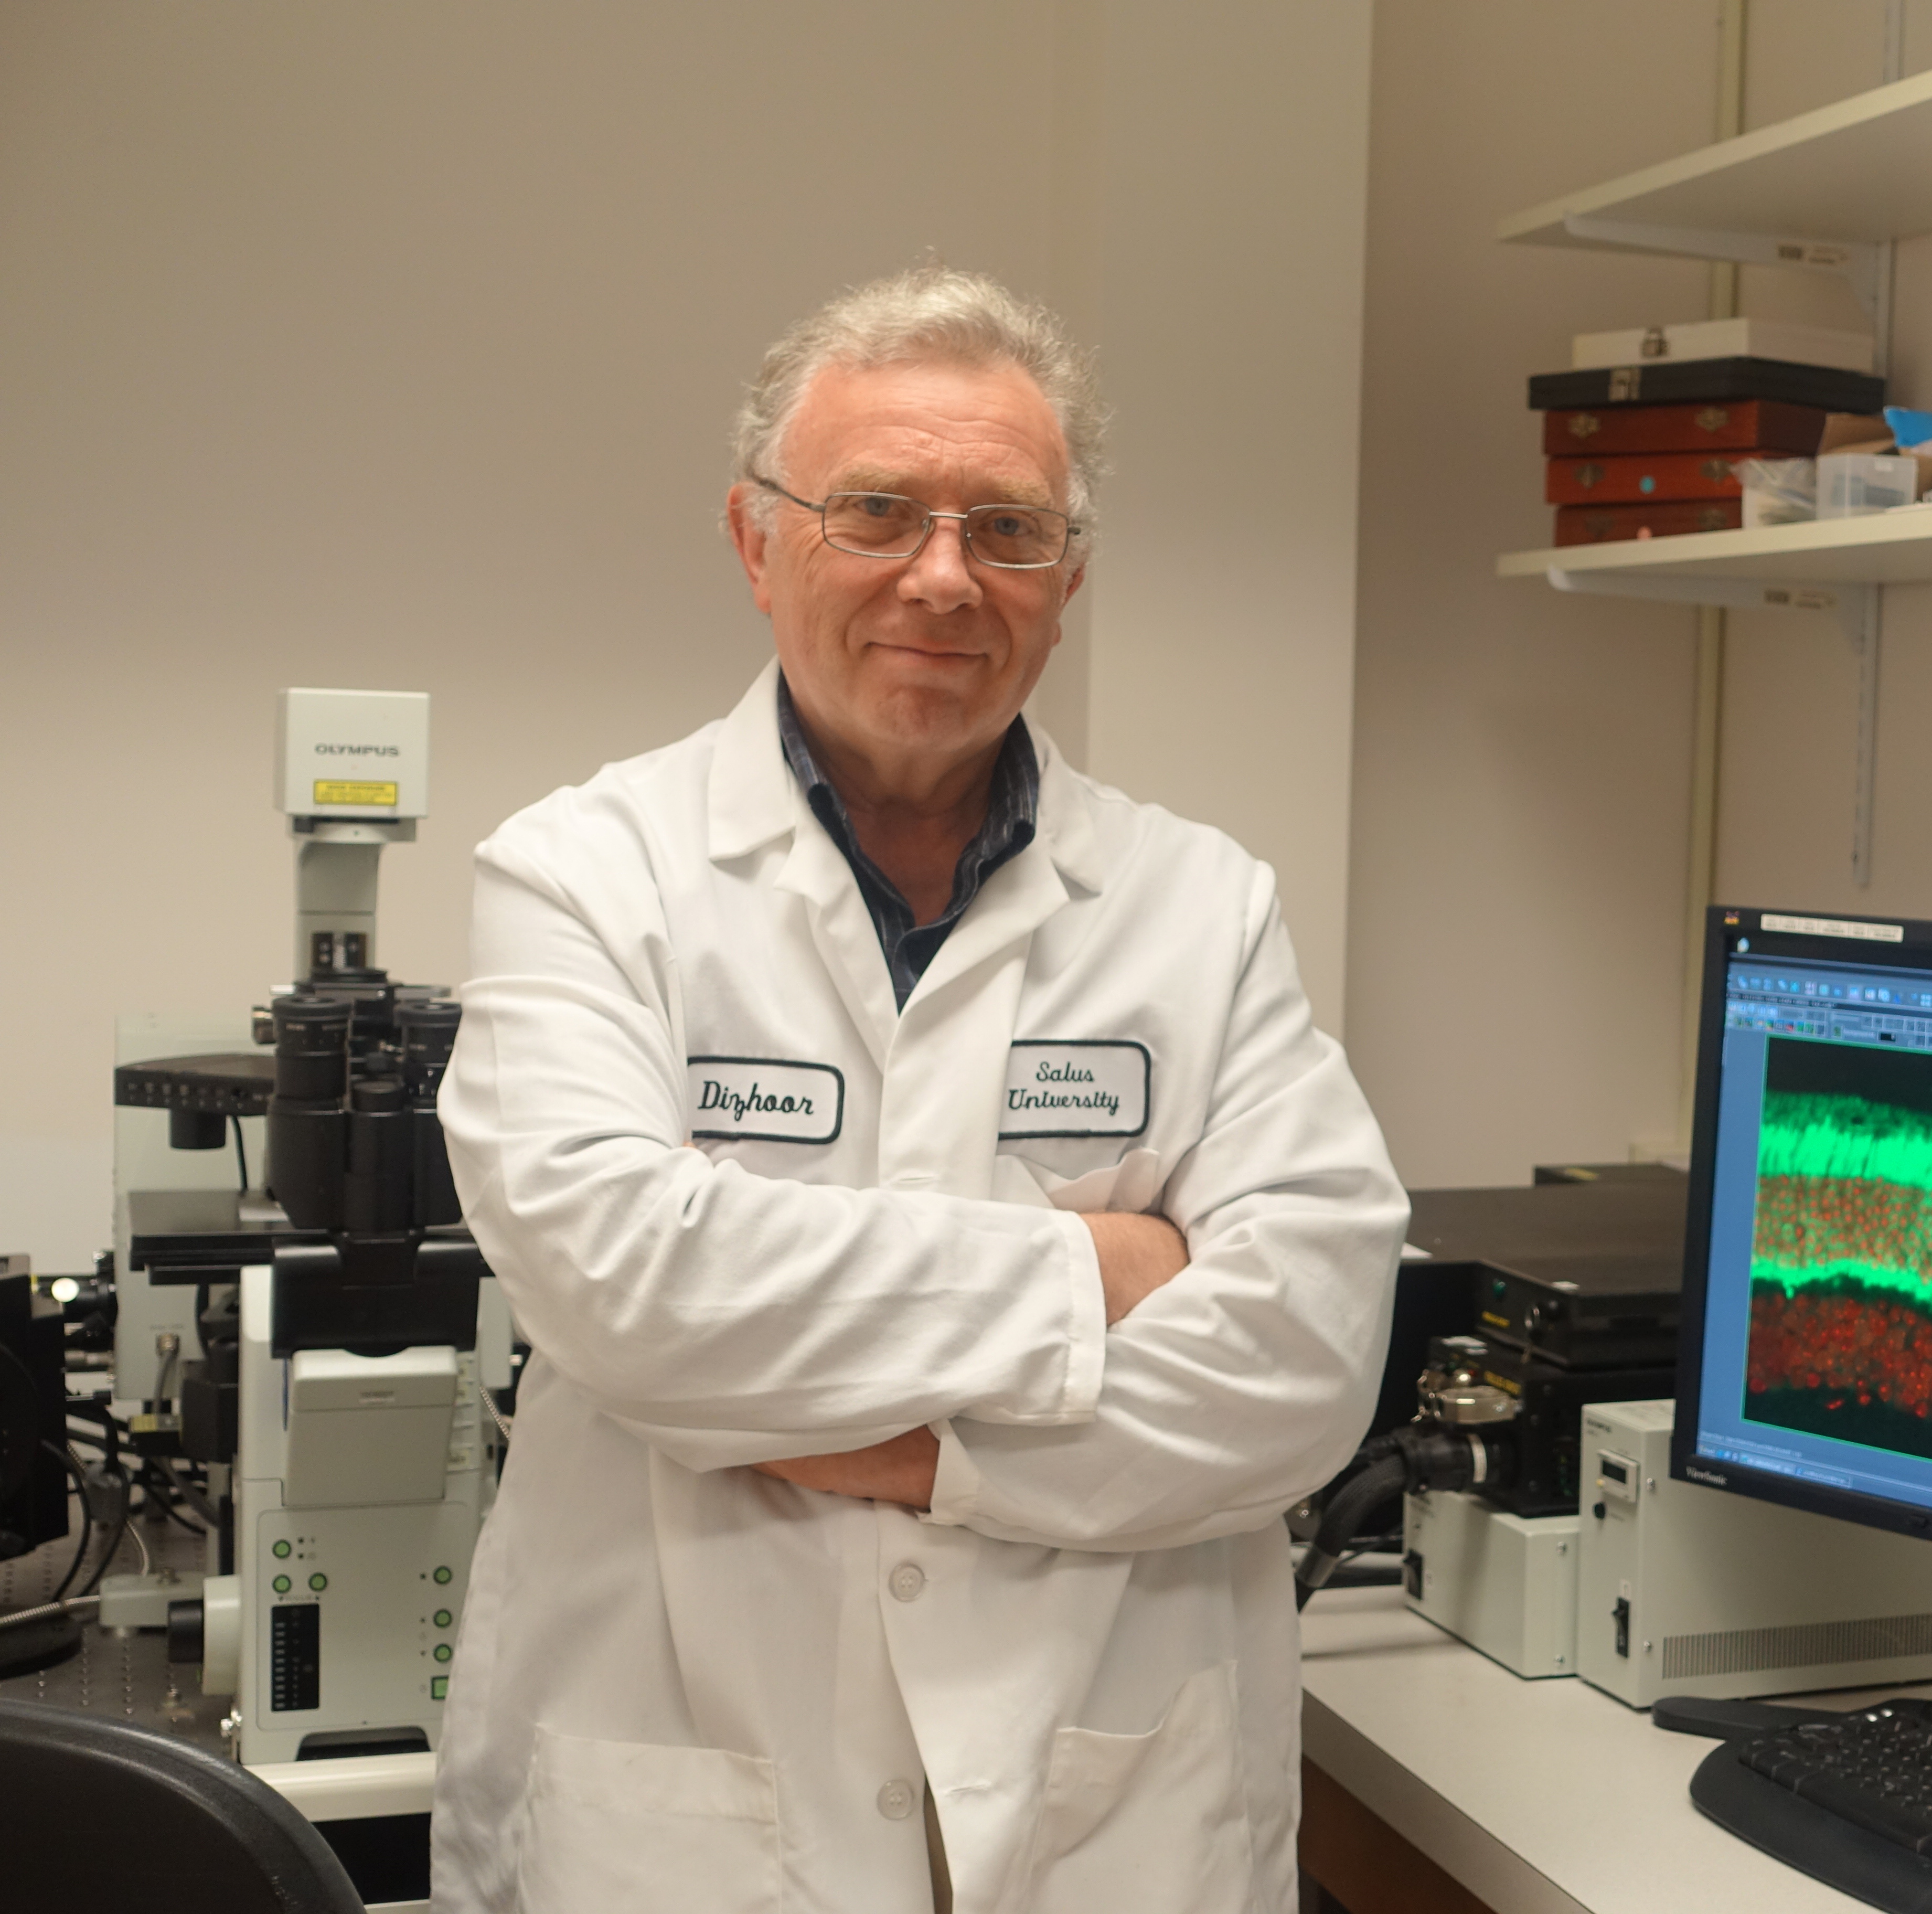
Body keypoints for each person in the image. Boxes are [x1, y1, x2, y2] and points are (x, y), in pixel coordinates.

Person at [429, 265, 1404, 1914]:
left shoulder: (1203, 907)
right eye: (873, 511)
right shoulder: (590, 878)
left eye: (1008, 528)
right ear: (755, 541)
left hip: (1109, 1817)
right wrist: (1101, 1271)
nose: (943, 577)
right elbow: (631, 1287)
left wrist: (906, 1453)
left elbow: (1303, 1365)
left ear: (1068, 575)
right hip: (687, 1814)